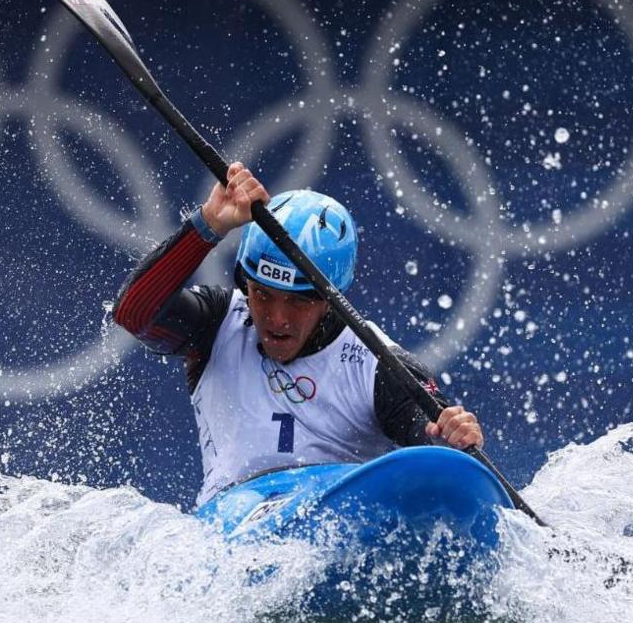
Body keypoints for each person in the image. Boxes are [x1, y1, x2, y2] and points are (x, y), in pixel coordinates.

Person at [113, 162, 484, 506]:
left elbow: (435, 448)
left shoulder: (376, 362)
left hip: (334, 517)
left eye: (298, 302)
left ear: (330, 300)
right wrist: (208, 223)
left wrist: (450, 439)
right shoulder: (216, 323)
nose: (278, 318)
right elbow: (133, 314)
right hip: (228, 523)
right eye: (262, 295)